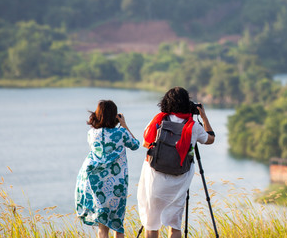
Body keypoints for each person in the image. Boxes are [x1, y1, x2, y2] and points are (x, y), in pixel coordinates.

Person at [137, 87, 215, 238]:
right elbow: (210, 139)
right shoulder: (193, 126)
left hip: (155, 180)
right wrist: (203, 116)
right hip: (178, 182)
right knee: (174, 225)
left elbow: (146, 143)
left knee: (151, 225)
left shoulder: (158, 120)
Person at [75, 100, 140, 238]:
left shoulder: (92, 134)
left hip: (96, 182)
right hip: (117, 184)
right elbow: (135, 145)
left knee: (102, 227)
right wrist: (124, 125)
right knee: (117, 225)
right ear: (114, 116)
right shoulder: (121, 133)